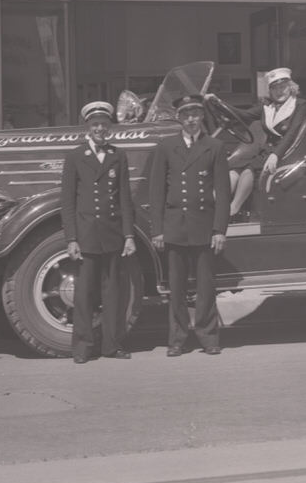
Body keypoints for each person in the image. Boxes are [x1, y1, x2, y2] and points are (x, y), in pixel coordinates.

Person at [149, 93, 230, 356]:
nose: (191, 119)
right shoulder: (166, 146)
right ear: (179, 118)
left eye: (195, 114)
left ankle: (208, 337)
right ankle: (177, 339)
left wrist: (219, 230)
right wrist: (157, 230)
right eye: (186, 115)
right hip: (175, 227)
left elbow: (223, 192)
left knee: (206, 287)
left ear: (202, 116)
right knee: (177, 289)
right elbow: (156, 191)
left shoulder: (214, 146)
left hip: (203, 226)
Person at [60, 100, 136, 364]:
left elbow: (125, 199)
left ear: (110, 127)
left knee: (113, 294)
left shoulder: (118, 155)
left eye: (104, 124)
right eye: (95, 125)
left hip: (113, 234)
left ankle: (112, 345)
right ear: (87, 127)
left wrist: (128, 235)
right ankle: (82, 348)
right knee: (84, 296)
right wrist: (71, 238)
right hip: (87, 237)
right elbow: (67, 201)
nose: (100, 129)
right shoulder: (75, 157)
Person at [259, 67, 306, 191]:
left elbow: (292, 133)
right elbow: (242, 114)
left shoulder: (300, 105)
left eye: (283, 87)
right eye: (274, 88)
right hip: (267, 153)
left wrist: (276, 155)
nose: (279, 92)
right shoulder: (268, 107)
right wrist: (213, 100)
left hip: (288, 153)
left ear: (291, 87)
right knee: (240, 170)